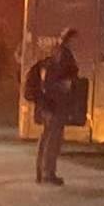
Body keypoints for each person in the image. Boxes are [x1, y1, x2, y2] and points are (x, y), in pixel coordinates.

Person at [36, 28, 79, 186]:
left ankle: (41, 172)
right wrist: (66, 85)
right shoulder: (64, 54)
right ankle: (48, 173)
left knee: (47, 136)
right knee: (53, 138)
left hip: (49, 102)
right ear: (70, 39)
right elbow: (60, 78)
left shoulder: (55, 51)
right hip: (56, 102)